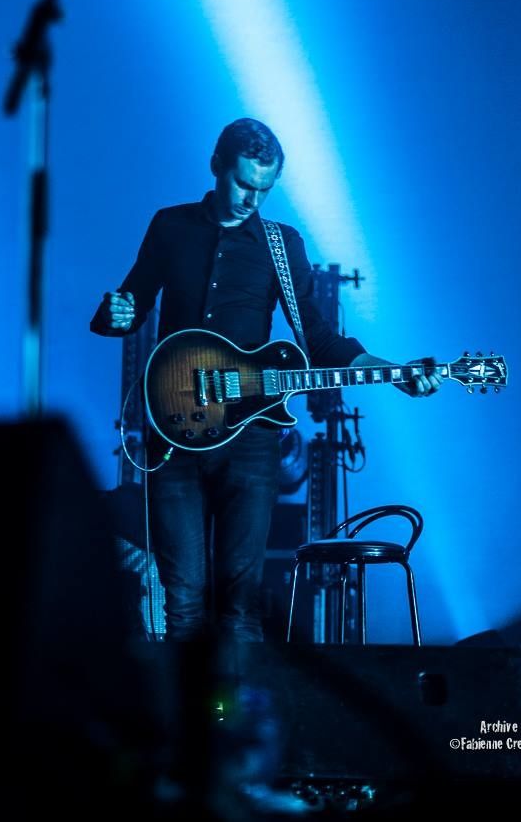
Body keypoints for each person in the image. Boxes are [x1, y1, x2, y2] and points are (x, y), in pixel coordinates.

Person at [90, 118, 442, 643]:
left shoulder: (282, 244)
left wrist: (395, 373)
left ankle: (239, 698)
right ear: (216, 165)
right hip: (175, 430)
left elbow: (317, 337)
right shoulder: (170, 226)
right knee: (181, 601)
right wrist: (114, 315)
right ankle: (189, 699)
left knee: (240, 607)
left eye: (264, 189)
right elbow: (131, 303)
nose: (251, 199)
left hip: (250, 439)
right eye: (242, 184)